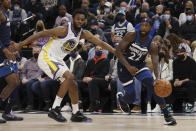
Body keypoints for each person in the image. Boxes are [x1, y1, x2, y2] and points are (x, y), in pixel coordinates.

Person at [12, 9, 115, 122]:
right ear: (73, 19)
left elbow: (101, 43)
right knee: (69, 77)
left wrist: (115, 51)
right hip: (47, 56)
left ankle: (75, 113)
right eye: (77, 19)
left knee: (73, 84)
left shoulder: (84, 33)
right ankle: (55, 108)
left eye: (82, 19)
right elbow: (41, 33)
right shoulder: (63, 29)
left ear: (85, 21)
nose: (80, 21)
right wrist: (20, 44)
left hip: (58, 60)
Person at [115, 18, 177, 125]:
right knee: (131, 97)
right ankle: (122, 98)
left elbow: (155, 62)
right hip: (124, 66)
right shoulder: (132, 35)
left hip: (139, 66)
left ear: (151, 28)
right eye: (142, 25)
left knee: (153, 86)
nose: (143, 28)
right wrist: (129, 67)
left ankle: (167, 115)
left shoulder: (152, 44)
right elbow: (118, 52)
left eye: (146, 25)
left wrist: (157, 78)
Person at [0, 0, 23, 123]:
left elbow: (4, 36)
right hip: (1, 54)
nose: (10, 1)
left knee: (15, 81)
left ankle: (7, 112)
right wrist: (5, 50)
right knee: (12, 81)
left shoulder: (6, 13)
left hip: (5, 52)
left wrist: (12, 47)